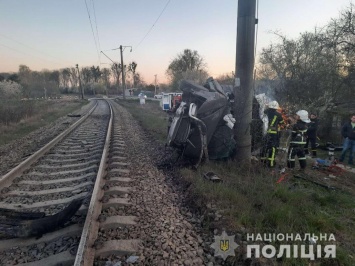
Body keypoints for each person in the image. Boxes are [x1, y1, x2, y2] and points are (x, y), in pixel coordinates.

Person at [260, 101, 285, 168]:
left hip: (264, 132)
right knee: (273, 148)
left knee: (264, 146)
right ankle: (271, 164)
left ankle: (262, 162)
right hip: (273, 133)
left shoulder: (265, 112)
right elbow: (282, 123)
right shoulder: (278, 114)